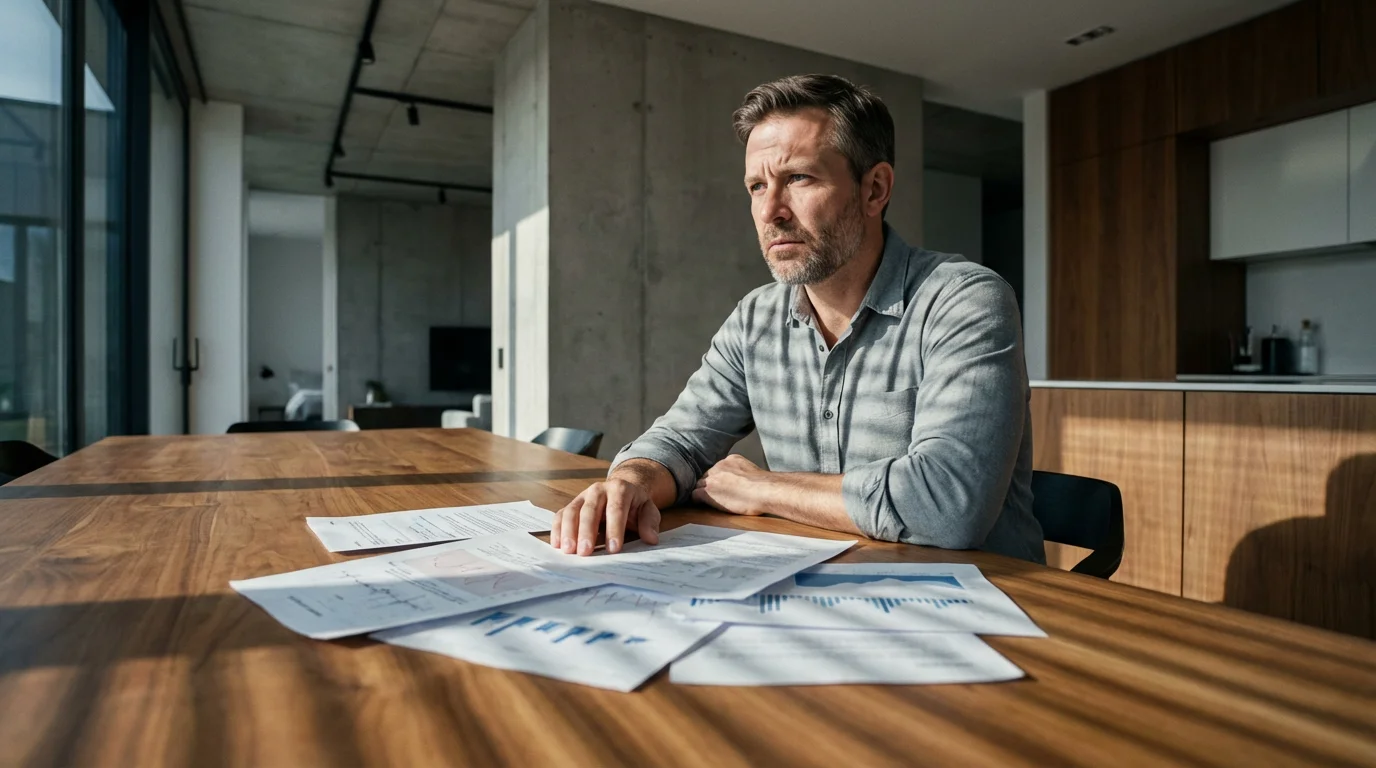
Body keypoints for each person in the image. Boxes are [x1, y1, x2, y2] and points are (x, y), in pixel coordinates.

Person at [551, 74, 1044, 563]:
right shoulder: (755, 319)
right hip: (815, 587)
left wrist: (765, 488)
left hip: (987, 604)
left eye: (798, 179)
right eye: (756, 185)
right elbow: (681, 438)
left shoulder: (963, 300)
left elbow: (948, 505)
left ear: (875, 189)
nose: (770, 211)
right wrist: (629, 483)